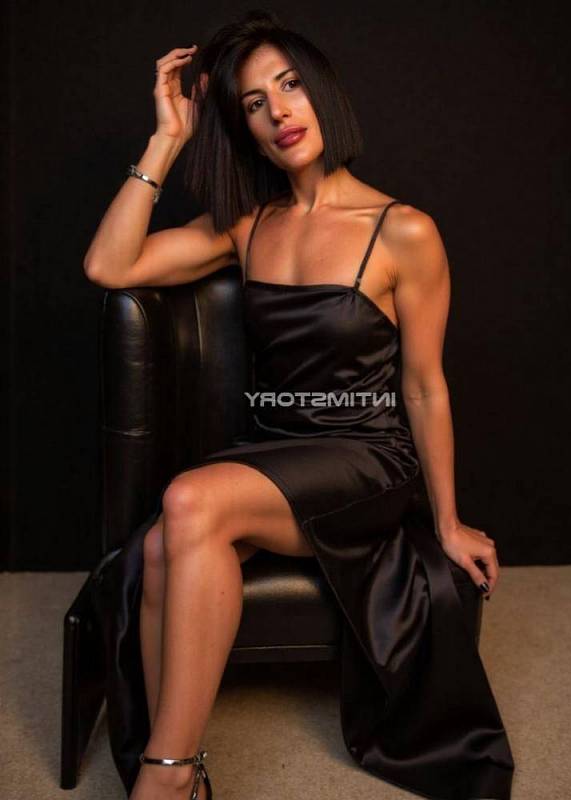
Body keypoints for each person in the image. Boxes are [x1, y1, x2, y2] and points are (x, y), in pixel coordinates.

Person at [84, 9, 515, 800]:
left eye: (289, 86)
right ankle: (179, 764)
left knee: (187, 501)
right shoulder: (247, 225)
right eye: (253, 103)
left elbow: (424, 384)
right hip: (272, 448)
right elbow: (109, 266)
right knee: (161, 547)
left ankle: (165, 778)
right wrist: (167, 139)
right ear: (243, 128)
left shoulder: (404, 231)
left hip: (367, 460)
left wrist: (448, 522)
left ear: (323, 93)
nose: (278, 112)